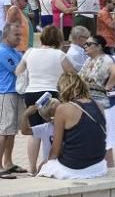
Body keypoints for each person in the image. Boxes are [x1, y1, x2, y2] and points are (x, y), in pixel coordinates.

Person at [15, 25, 75, 175]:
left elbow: (18, 71)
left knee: (35, 131)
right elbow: (72, 74)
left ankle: (32, 167)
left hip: (32, 93)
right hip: (51, 94)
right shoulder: (59, 55)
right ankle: (49, 162)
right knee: (53, 130)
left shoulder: (30, 52)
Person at [37, 72, 109, 180]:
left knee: (42, 168)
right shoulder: (98, 105)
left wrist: (47, 163)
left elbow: (55, 150)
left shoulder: (63, 109)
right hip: (99, 165)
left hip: (74, 167)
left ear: (64, 89)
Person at [79, 34, 115, 167]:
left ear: (99, 47)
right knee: (94, 137)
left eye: (89, 44)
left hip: (105, 105)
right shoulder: (88, 61)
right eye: (84, 44)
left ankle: (110, 166)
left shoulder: (106, 59)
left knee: (106, 139)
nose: (85, 46)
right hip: (91, 104)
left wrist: (107, 87)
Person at [0, 23, 26, 179]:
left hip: (15, 93)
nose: (19, 38)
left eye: (20, 35)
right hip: (6, 94)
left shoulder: (13, 51)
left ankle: (8, 162)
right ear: (6, 36)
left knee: (11, 131)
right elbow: (19, 70)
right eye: (16, 35)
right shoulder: (2, 52)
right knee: (3, 130)